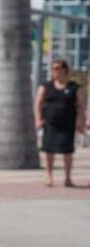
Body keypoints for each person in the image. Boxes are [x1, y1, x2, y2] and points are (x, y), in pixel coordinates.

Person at [34, 59, 86, 187]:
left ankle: (68, 178)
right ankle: (49, 176)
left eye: (57, 68)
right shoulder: (46, 86)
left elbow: (80, 106)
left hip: (67, 124)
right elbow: (38, 104)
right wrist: (38, 119)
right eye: (53, 68)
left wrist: (81, 121)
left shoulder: (71, 88)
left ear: (64, 70)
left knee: (67, 151)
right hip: (50, 123)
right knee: (48, 150)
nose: (54, 71)